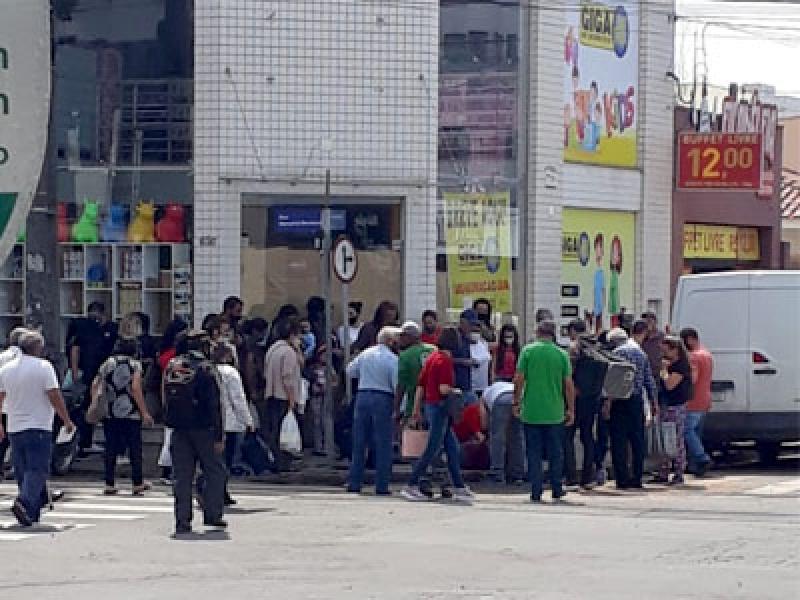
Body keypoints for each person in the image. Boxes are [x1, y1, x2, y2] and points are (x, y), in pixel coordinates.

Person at [0, 331, 75, 526]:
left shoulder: (6, 369)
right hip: (38, 424)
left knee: (22, 468)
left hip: (14, 425)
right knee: (37, 468)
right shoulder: (43, 367)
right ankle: (24, 502)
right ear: (38, 348)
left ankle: (31, 511)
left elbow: (0, 398)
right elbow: (54, 395)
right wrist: (66, 419)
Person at [401, 327, 475, 503]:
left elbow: (421, 385)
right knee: (432, 448)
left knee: (452, 448)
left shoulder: (432, 357)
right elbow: (443, 389)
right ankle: (411, 484)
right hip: (441, 407)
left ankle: (458, 486)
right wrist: (456, 391)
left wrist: (416, 410)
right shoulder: (445, 361)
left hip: (430, 405)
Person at [163, 330, 227, 534]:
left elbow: (164, 396)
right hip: (204, 428)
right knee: (215, 471)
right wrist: (219, 434)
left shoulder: (173, 366)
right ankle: (213, 514)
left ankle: (182, 520)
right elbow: (215, 404)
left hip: (179, 428)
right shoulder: (206, 368)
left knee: (182, 476)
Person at [513, 320, 575, 503]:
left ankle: (536, 489)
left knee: (533, 452)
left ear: (537, 332)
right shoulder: (561, 355)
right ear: (553, 333)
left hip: (531, 410)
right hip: (555, 411)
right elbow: (568, 385)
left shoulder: (528, 351)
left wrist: (516, 401)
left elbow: (519, 379)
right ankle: (556, 487)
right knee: (556, 452)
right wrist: (571, 409)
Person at [93, 337, 155, 496]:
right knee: (134, 447)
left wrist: (96, 404)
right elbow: (135, 388)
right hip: (130, 412)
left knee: (111, 447)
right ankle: (137, 482)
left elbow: (96, 384)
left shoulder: (108, 363)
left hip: (110, 411)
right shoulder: (135, 365)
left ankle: (109, 482)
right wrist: (144, 412)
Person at [345, 326, 400, 495]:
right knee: (383, 443)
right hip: (383, 397)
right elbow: (396, 384)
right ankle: (381, 485)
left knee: (360, 441)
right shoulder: (392, 359)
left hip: (363, 395)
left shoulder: (366, 354)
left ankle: (354, 482)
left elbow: (349, 371)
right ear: (391, 341)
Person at [604, 324, 658, 490]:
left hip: (619, 401)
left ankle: (622, 478)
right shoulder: (641, 353)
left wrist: (607, 403)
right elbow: (649, 380)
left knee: (619, 440)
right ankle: (637, 477)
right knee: (637, 440)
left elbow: (612, 382)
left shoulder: (616, 353)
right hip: (636, 401)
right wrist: (653, 402)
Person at [66, 301, 118, 453]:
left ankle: (87, 442)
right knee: (86, 407)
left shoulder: (109, 328)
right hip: (90, 373)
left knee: (96, 407)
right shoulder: (84, 327)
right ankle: (84, 441)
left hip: (101, 373)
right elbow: (75, 349)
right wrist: (75, 371)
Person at [212, 342, 255, 506]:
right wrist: (248, 420)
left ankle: (216, 490)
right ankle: (220, 491)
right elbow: (238, 399)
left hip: (210, 422)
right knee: (226, 461)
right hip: (230, 422)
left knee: (213, 460)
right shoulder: (231, 373)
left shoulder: (208, 369)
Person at [260, 317, 303, 473]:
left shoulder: (272, 349)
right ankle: (283, 463)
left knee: (275, 430)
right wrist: (292, 399)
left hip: (271, 393)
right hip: (284, 396)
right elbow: (288, 377)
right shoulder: (289, 352)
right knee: (285, 433)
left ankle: (276, 462)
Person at [564, 319, 603, 489]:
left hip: (575, 397)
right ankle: (588, 476)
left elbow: (568, 373)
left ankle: (571, 476)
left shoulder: (575, 347)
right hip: (593, 398)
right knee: (587, 436)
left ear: (572, 330)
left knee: (567, 436)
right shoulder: (596, 347)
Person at [654, 335, 692, 485]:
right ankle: (663, 470)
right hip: (665, 404)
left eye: (666, 351)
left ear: (675, 350)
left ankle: (678, 471)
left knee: (676, 439)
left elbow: (670, 384)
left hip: (675, 406)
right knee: (664, 439)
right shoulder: (671, 364)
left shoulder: (680, 366)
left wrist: (663, 370)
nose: (664, 355)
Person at [156, 317, 189, 485]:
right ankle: (166, 470)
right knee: (170, 437)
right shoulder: (173, 358)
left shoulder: (166, 354)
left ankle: (169, 469)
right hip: (174, 399)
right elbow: (165, 381)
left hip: (172, 399)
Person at [680, 327, 714, 476]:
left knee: (687, 430)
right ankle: (695, 465)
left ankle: (702, 457)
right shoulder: (707, 354)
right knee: (696, 433)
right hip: (705, 399)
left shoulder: (693, 357)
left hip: (693, 400)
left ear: (689, 339)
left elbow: (692, 379)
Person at [483, 379, 525, 484]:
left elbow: (483, 420)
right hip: (519, 398)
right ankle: (517, 474)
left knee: (498, 439)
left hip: (500, 400)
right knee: (517, 438)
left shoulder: (486, 391)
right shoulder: (508, 385)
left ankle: (497, 473)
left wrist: (487, 431)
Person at [0, 327, 26, 477]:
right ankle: (17, 468)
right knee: (18, 440)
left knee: (2, 442)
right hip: (19, 405)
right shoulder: (25, 359)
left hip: (3, 405)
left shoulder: (2, 357)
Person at [396, 321, 435, 420]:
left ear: (410, 337)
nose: (400, 339)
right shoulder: (434, 350)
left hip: (414, 406)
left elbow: (401, 385)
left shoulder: (405, 355)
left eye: (402, 336)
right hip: (435, 404)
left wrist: (396, 408)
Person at [453, 309, 478, 406]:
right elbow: (444, 358)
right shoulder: (453, 337)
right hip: (456, 386)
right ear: (462, 322)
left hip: (468, 385)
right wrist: (462, 361)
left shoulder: (467, 338)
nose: (472, 327)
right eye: (470, 324)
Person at [641, 311, 665, 385]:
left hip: (658, 373)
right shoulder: (641, 336)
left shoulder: (662, 336)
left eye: (649, 321)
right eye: (645, 322)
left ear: (655, 322)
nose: (647, 324)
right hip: (644, 374)